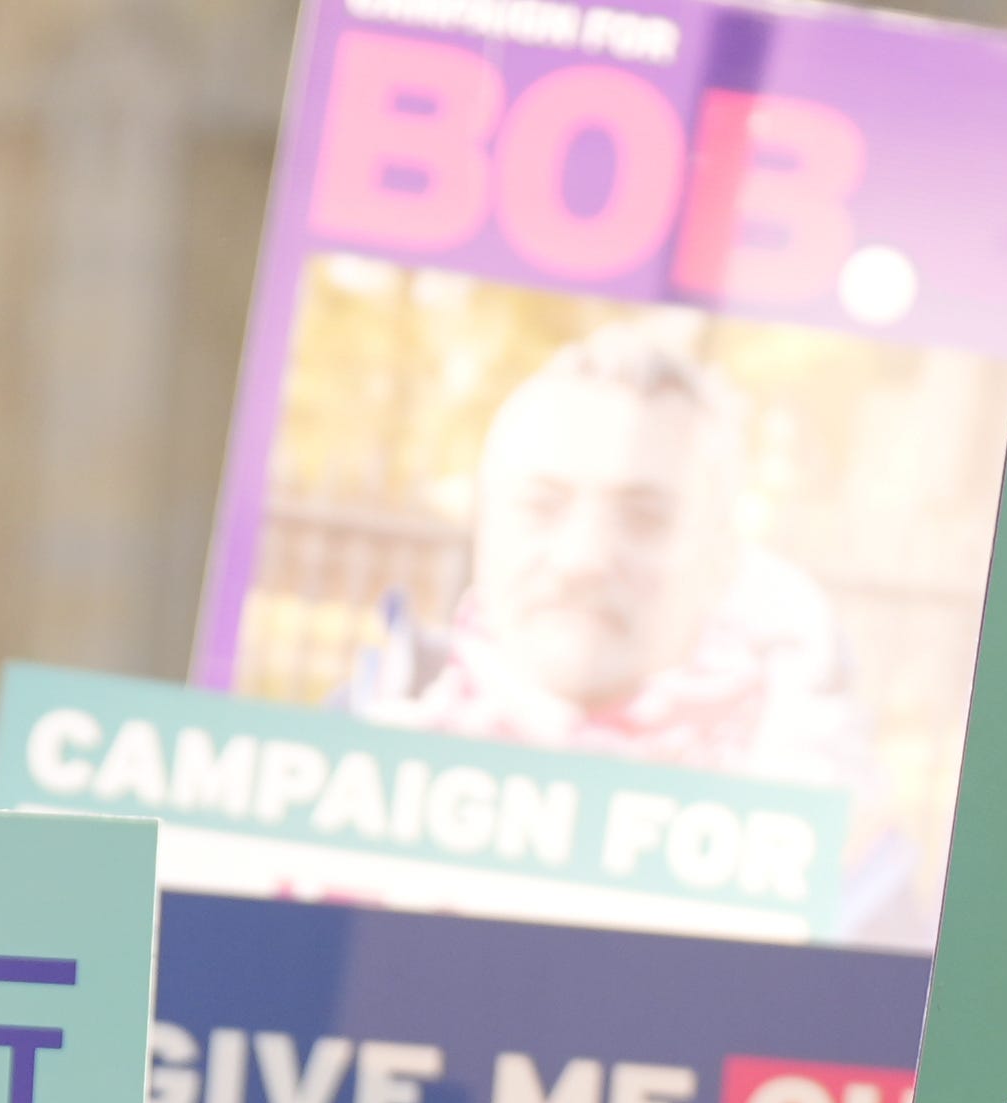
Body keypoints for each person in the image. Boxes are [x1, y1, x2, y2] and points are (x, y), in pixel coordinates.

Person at [346, 320, 867, 794]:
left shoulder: (833, 835)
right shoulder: (351, 753)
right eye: (541, 506)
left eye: (646, 519)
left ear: (722, 562)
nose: (583, 559)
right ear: (483, 527)